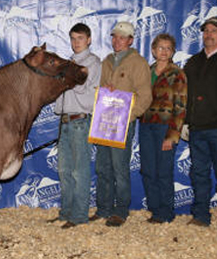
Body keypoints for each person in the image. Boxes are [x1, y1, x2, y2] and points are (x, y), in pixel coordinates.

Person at [90, 21, 152, 227]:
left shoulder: (138, 63)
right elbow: (100, 91)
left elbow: (145, 96)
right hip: (105, 122)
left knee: (119, 168)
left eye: (123, 37)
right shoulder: (106, 61)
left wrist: (129, 116)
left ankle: (120, 210)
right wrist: (105, 92)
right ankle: (103, 208)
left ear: (131, 40)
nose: (117, 40)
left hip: (122, 124)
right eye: (115, 36)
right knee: (102, 167)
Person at [50, 23, 101, 228]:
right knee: (64, 169)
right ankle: (66, 212)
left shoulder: (94, 63)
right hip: (65, 120)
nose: (76, 42)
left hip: (81, 119)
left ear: (88, 40)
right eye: (72, 38)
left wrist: (73, 80)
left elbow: (92, 97)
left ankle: (79, 215)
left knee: (79, 170)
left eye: (80, 38)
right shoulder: (68, 63)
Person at [139, 34, 187, 224]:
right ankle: (155, 209)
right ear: (153, 50)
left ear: (173, 52)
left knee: (164, 171)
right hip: (146, 126)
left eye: (168, 48)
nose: (164, 51)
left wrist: (172, 136)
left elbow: (181, 107)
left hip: (165, 128)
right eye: (161, 48)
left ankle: (166, 212)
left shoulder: (177, 74)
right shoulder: (147, 72)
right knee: (148, 170)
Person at [184, 16, 217, 227]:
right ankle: (201, 215)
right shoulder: (193, 62)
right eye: (206, 31)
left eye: (214, 30)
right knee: (199, 173)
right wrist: (185, 122)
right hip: (196, 128)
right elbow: (184, 94)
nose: (209, 34)